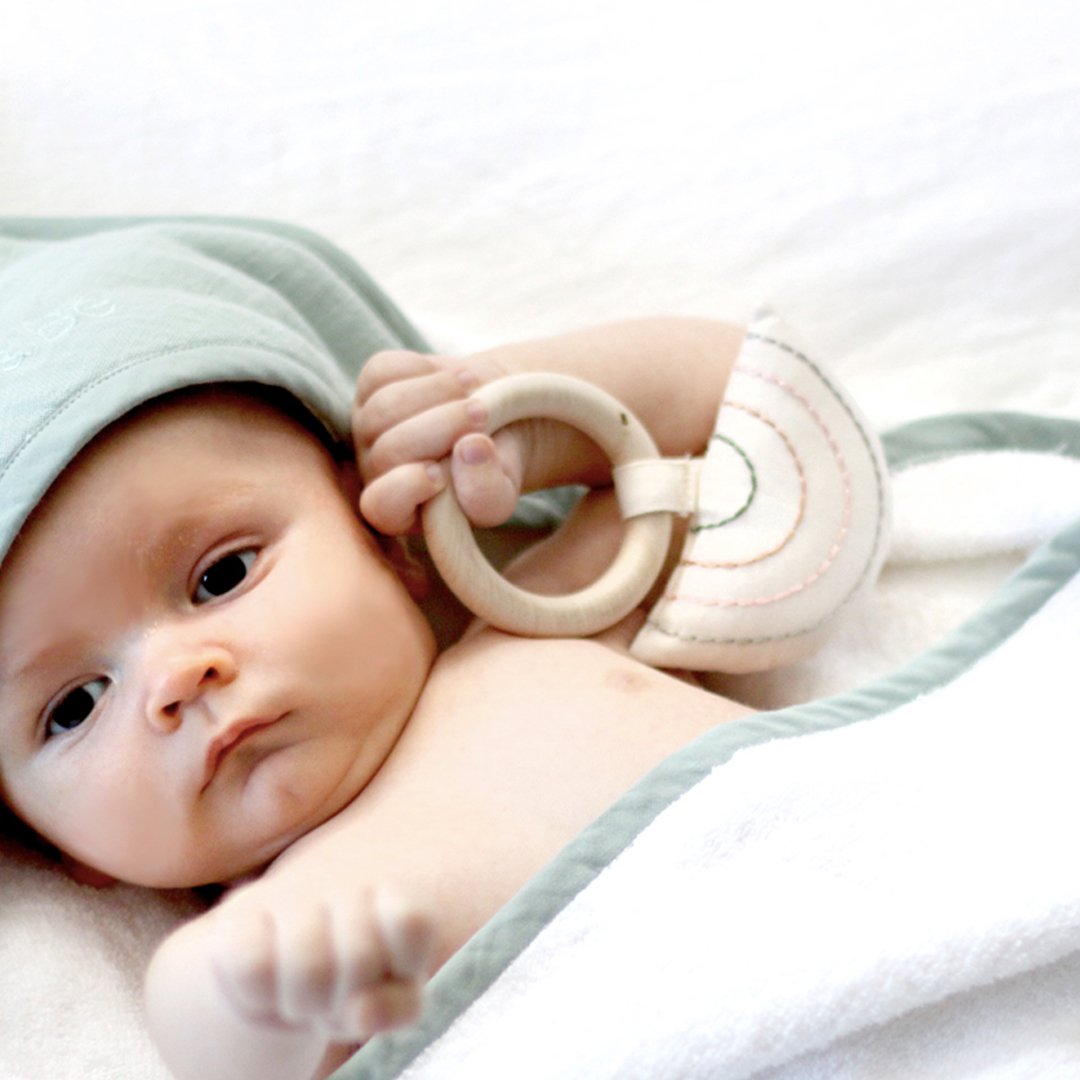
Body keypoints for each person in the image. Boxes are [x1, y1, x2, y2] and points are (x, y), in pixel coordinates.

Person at [0, 219, 754, 1080]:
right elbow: (241, 1041)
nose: (175, 676)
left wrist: (516, 406)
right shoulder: (273, 930)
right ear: (55, 845)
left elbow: (758, 425)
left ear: (383, 537)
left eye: (222, 576)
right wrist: (231, 991)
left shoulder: (551, 617)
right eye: (72, 707)